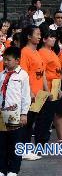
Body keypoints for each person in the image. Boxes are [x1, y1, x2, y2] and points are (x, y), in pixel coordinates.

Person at [0, 46, 30, 176]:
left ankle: (13, 169)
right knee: (2, 143)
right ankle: (2, 168)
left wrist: (24, 113)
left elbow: (25, 96)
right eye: (4, 59)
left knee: (14, 142)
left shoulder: (22, 75)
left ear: (17, 60)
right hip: (2, 112)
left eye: (8, 60)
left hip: (14, 113)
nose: (5, 62)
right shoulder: (1, 74)